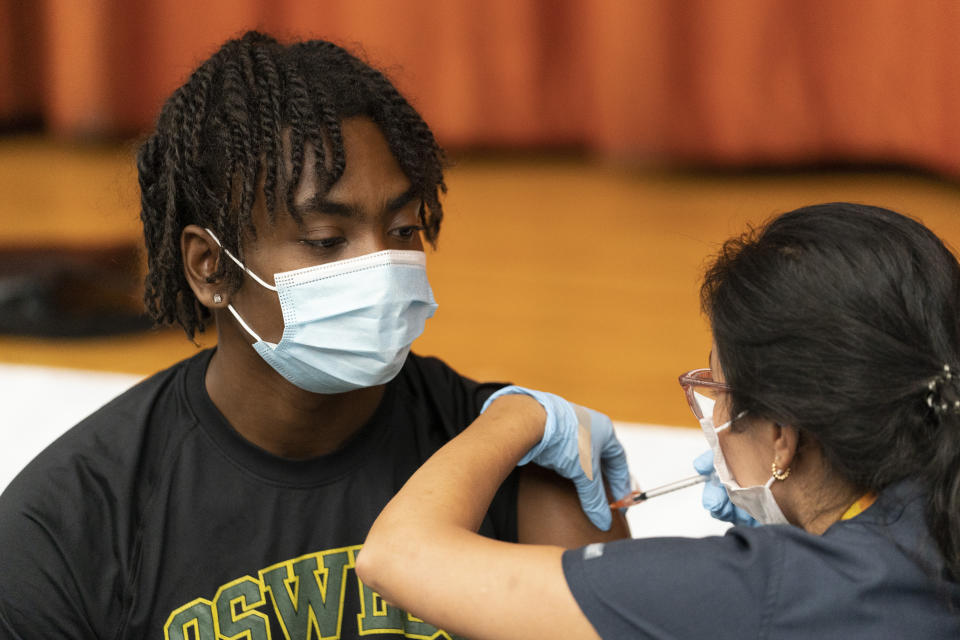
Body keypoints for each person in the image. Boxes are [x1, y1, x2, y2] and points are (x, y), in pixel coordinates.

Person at [0, 31, 631, 639]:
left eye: (405, 228)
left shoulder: (526, 464)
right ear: (209, 267)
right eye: (327, 241)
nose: (381, 265)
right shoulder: (67, 526)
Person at [358, 203, 960, 639]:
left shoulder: (759, 591)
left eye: (716, 387)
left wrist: (517, 413)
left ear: (782, 438)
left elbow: (396, 557)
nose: (713, 412)